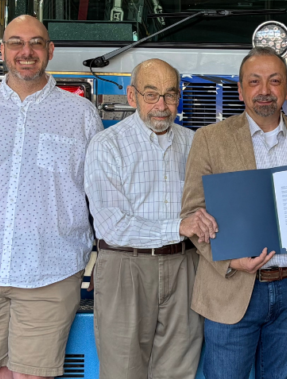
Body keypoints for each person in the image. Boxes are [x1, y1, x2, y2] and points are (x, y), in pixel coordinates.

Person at [0, 15, 102, 379]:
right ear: (2, 51)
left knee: (34, 374)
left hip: (51, 268)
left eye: (35, 43)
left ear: (50, 51)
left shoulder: (80, 114)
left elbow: (97, 192)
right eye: (16, 43)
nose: (25, 52)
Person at [180, 47, 287, 379]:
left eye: (275, 80)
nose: (265, 90)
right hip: (231, 289)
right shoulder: (209, 140)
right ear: (240, 89)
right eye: (255, 81)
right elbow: (193, 214)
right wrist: (228, 261)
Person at [85, 59, 209, 378]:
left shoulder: (194, 144)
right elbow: (112, 224)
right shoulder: (106, 146)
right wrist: (179, 227)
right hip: (125, 267)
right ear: (132, 96)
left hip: (185, 266)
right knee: (122, 370)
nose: (162, 106)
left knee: (179, 370)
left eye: (170, 95)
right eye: (151, 94)